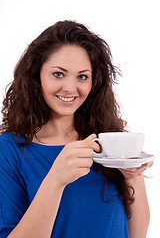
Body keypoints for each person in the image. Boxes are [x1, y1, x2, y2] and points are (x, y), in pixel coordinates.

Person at [0, 20, 153, 238]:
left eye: (82, 76)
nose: (70, 88)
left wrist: (133, 177)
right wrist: (55, 180)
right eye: (58, 74)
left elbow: (137, 234)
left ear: (94, 83)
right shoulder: (9, 151)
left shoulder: (107, 144)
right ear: (36, 75)